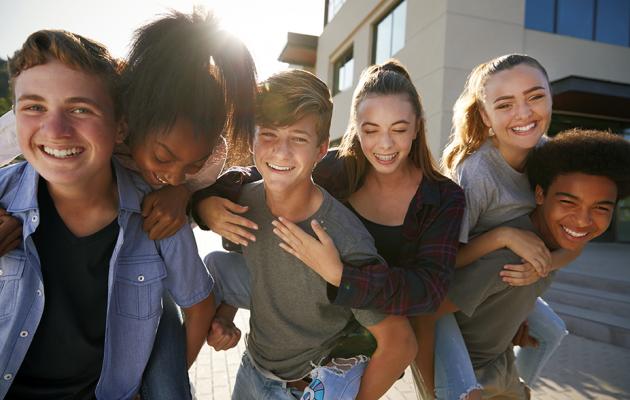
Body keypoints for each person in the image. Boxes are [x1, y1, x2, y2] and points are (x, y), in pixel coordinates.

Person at [192, 60, 465, 398]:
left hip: (385, 325)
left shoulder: (439, 199)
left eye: (397, 128)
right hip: (259, 363)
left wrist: (340, 274)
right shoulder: (334, 168)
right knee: (216, 264)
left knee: (461, 390)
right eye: (370, 129)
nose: (384, 144)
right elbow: (258, 183)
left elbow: (426, 297)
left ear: (417, 128)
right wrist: (204, 206)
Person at [0, 29, 216, 399]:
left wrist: (156, 387)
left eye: (80, 109)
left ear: (121, 127)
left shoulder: (159, 216)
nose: (55, 131)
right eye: (34, 107)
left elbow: (198, 306)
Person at [0, 9, 257, 246]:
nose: (176, 175)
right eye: (162, 157)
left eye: (192, 167)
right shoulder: (86, 109)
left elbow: (177, 216)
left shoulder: (211, 157)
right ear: (128, 119)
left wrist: (182, 193)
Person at [411, 54, 575, 399]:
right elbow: (445, 262)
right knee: (457, 391)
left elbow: (573, 241)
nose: (524, 113)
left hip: (507, 285)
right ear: (485, 116)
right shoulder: (476, 173)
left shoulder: (552, 159)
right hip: (451, 295)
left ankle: (516, 389)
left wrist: (538, 268)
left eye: (535, 96)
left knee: (552, 333)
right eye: (505, 105)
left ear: (550, 95)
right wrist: (504, 235)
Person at [446, 128, 630, 398]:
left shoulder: (557, 243)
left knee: (551, 332)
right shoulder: (510, 258)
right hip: (473, 372)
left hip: (502, 365)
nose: (582, 221)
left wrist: (517, 313)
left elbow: (574, 249)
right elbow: (430, 312)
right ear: (540, 195)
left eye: (601, 208)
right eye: (569, 202)